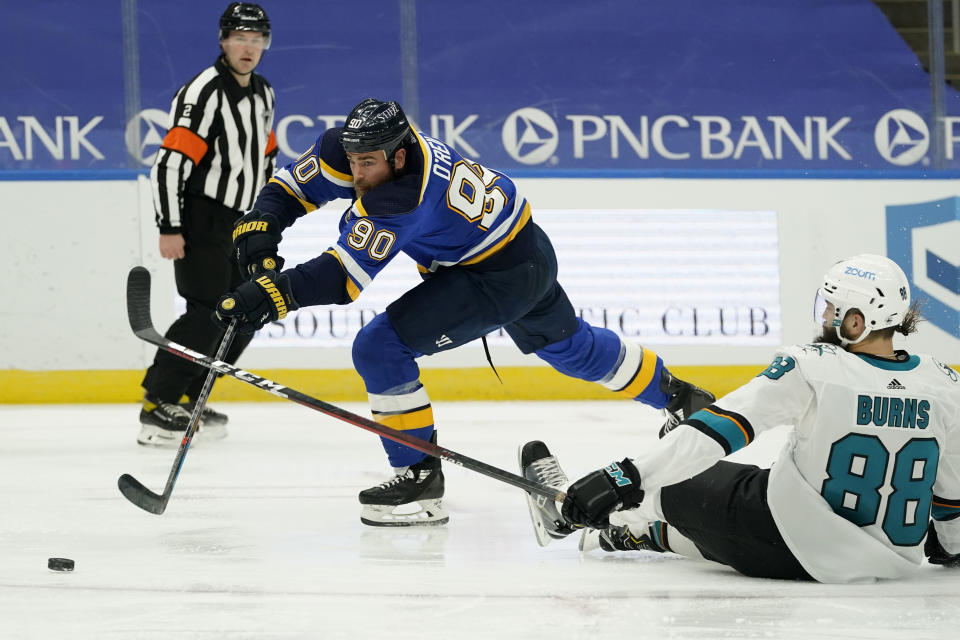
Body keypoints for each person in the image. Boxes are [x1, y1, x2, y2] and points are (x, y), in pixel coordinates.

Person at [213, 97, 715, 527]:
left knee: (380, 346)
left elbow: (340, 280)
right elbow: (292, 188)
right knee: (571, 347)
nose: (357, 174)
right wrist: (261, 224)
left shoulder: (403, 197)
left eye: (368, 164)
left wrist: (273, 294)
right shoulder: (362, 151)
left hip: (497, 276)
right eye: (352, 161)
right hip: (524, 249)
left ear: (399, 154)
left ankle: (419, 478)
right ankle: (679, 396)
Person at [520, 254, 960, 583]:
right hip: (895, 562)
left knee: (671, 475)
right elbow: (952, 497)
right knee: (751, 490)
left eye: (831, 310)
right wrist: (952, 546)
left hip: (797, 546)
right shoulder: (944, 383)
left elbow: (717, 430)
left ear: (856, 321)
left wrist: (625, 475)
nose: (824, 317)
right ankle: (639, 535)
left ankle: (565, 516)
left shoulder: (815, 367)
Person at [137, 3, 278, 447]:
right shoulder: (203, 92)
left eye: (257, 40)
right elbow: (170, 164)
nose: (249, 48)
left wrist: (267, 218)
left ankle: (193, 393)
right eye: (241, 37)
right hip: (202, 216)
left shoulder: (264, 92)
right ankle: (157, 404)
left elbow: (265, 158)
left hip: (243, 221)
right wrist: (170, 225)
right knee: (205, 310)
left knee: (246, 313)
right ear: (223, 41)